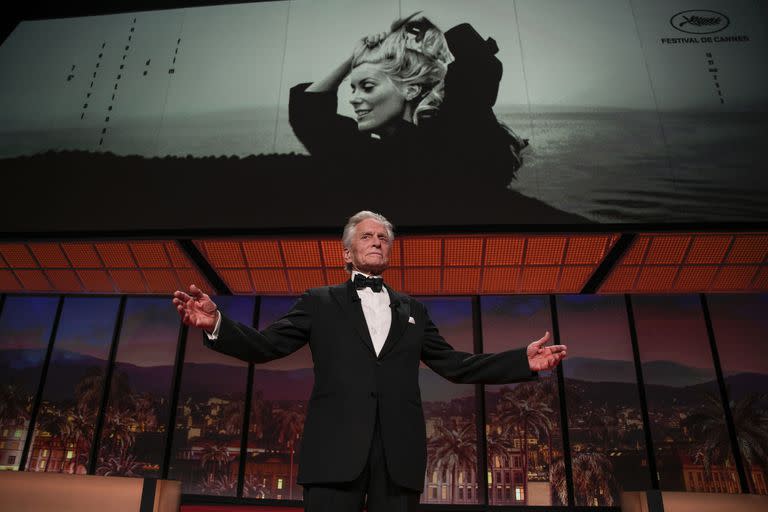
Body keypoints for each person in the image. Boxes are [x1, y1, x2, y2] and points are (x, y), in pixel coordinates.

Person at [172, 210, 567, 512]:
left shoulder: (414, 310)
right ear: (347, 252)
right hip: (333, 455)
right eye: (367, 236)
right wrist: (217, 323)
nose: (377, 241)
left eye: (383, 237)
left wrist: (522, 362)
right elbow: (266, 346)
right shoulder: (318, 301)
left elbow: (455, 364)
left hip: (399, 459)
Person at [288, 13, 528, 190]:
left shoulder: (450, 142)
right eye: (354, 88)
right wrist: (356, 57)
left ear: (411, 89)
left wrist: (437, 43)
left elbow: (478, 69)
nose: (354, 99)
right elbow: (310, 116)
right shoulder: (371, 159)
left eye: (369, 86)